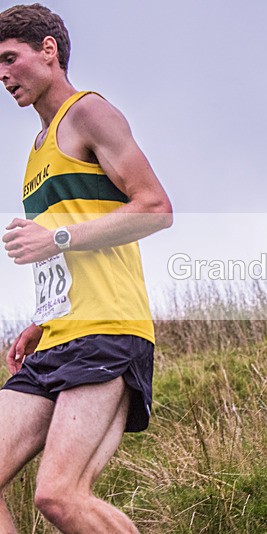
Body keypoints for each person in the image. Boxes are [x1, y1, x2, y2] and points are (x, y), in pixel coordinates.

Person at [0, 4, 172, 532]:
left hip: (108, 331)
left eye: (10, 59)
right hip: (59, 336)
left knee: (59, 496)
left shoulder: (89, 112)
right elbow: (76, 239)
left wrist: (53, 237)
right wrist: (44, 318)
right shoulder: (37, 146)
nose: (2, 76)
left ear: (48, 50)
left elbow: (155, 208)